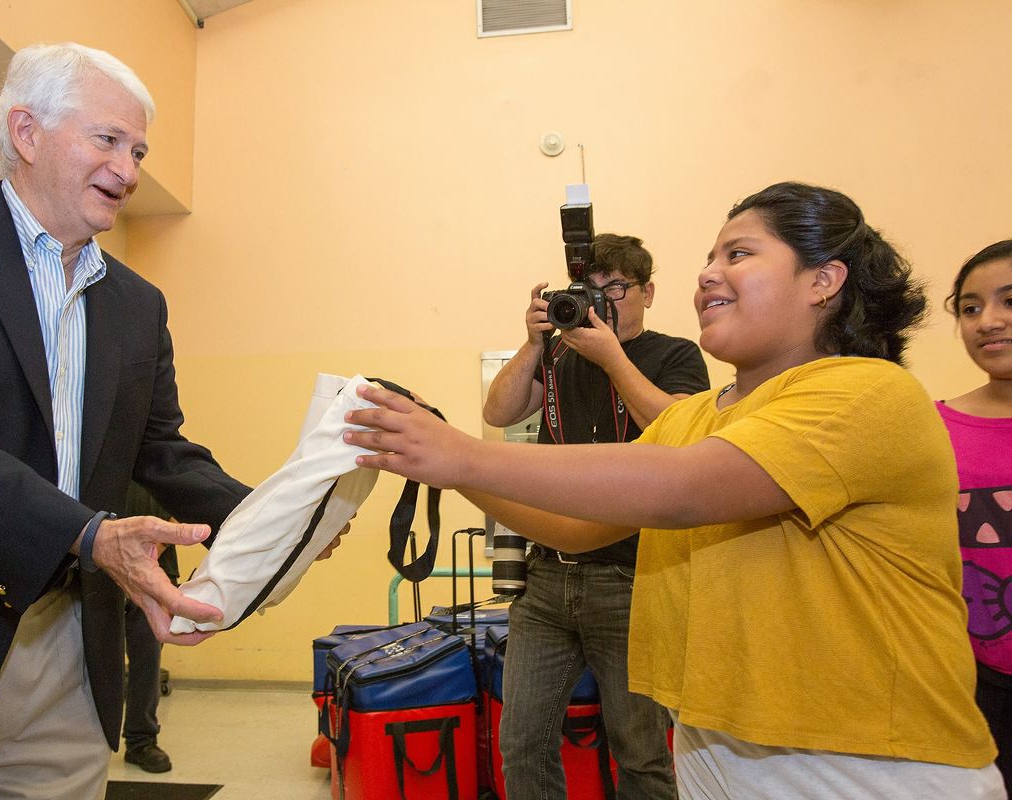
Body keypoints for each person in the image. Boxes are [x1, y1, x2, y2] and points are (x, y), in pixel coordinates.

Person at [345, 181, 1004, 798]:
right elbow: (575, 526)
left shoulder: (868, 393)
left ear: (825, 280)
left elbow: (684, 489)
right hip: (714, 740)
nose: (708, 272)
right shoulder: (697, 415)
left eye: (739, 253)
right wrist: (441, 457)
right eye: (711, 256)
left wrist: (462, 458)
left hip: (867, 759)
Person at [0, 42, 342, 800]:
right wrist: (87, 533)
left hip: (68, 653)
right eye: (108, 141)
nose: (128, 171)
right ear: (26, 133)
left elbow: (159, 449)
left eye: (139, 150)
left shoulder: (137, 303)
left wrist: (280, 519)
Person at [483, 233, 707, 799]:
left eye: (617, 289)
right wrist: (533, 344)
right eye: (590, 291)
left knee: (640, 753)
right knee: (522, 744)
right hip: (547, 577)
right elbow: (499, 410)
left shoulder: (674, 354)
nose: (603, 301)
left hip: (635, 579)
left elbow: (678, 431)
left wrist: (612, 357)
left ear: (648, 292)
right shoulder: (558, 354)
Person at [938, 240, 1012, 796]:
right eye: (970, 307)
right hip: (974, 683)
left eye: (1010, 301)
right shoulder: (933, 428)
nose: (989, 322)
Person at [121, 482, 182, 774]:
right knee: (89, 662)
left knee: (147, 660)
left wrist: (155, 546)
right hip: (102, 567)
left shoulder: (165, 457)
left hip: (158, 572)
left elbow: (185, 510)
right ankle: (78, 738)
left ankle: (140, 742)